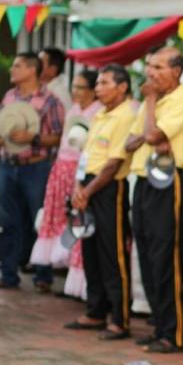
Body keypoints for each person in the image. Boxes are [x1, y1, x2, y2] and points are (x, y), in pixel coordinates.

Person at [127, 47, 183, 353]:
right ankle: (160, 326)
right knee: (146, 255)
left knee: (166, 257)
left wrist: (151, 103)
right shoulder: (155, 102)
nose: (150, 72)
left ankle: (174, 332)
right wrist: (151, 133)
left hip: (169, 182)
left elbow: (155, 137)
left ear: (176, 71)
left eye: (157, 66)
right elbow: (133, 141)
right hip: (145, 180)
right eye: (148, 65)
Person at [64, 64, 136, 339]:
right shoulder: (99, 115)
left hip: (108, 188)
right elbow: (87, 155)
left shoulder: (125, 115)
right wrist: (78, 187)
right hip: (88, 186)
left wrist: (88, 190)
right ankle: (95, 311)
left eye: (104, 83)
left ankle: (120, 318)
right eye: (98, 84)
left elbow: (114, 162)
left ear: (122, 87)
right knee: (90, 250)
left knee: (113, 252)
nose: (98, 88)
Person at [0, 52, 65, 291]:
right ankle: (9, 275)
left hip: (37, 167)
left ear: (32, 70)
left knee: (39, 220)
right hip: (8, 165)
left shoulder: (51, 101)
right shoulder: (9, 97)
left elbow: (60, 137)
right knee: (9, 222)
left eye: (17, 66)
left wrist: (34, 137)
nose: (12, 70)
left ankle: (43, 276)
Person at [30, 70, 101, 299]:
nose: (75, 92)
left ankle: (84, 284)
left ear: (92, 90)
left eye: (80, 87)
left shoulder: (98, 112)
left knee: (79, 224)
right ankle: (69, 276)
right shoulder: (73, 110)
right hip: (62, 169)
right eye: (74, 87)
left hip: (81, 173)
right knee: (62, 223)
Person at [39, 47, 72, 112]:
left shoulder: (59, 94)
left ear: (52, 70)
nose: (35, 65)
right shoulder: (41, 87)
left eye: (40, 63)